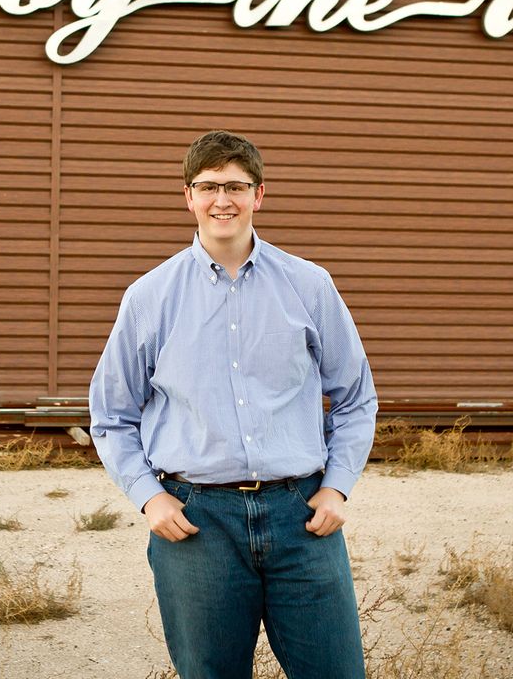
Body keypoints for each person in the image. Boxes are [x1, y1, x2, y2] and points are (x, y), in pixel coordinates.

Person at [89, 129, 378, 679]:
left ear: (259, 195)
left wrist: (338, 485)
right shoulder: (150, 297)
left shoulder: (309, 285)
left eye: (236, 186)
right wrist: (150, 498)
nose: (222, 200)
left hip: (303, 517)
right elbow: (111, 415)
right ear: (188, 196)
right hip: (198, 523)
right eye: (209, 186)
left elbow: (355, 396)